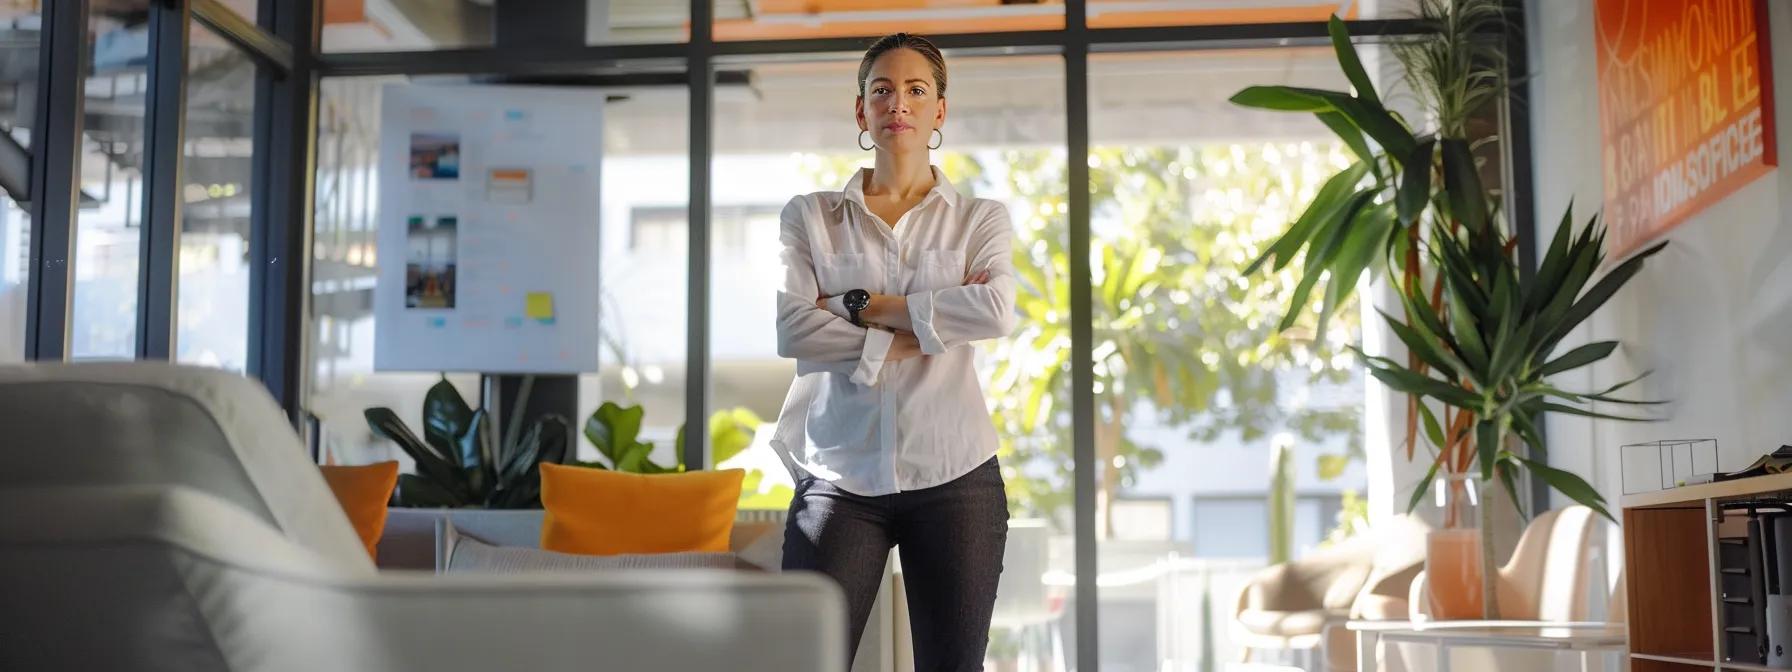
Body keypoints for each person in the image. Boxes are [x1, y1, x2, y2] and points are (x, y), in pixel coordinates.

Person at [769, 32, 1018, 671]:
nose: (897, 103)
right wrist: (926, 328)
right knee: (809, 660)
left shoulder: (980, 220)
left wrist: (858, 305)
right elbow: (793, 331)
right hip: (838, 476)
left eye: (916, 90)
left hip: (955, 474)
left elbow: (994, 311)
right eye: (881, 90)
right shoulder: (810, 217)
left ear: (939, 111)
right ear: (862, 112)